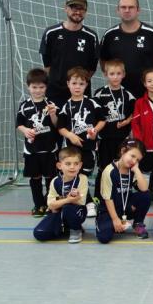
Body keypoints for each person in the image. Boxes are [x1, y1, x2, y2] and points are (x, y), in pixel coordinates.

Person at [55, 67, 106, 218]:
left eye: (81, 84)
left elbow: (103, 120)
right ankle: (87, 203)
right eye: (74, 83)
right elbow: (60, 127)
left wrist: (95, 130)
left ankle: (85, 200)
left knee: (85, 174)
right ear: (68, 84)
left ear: (86, 85)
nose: (77, 87)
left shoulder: (92, 103)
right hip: (72, 149)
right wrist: (70, 135)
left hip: (89, 147)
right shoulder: (66, 106)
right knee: (74, 174)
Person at [99, 0, 153, 98]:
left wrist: (150, 80)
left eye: (131, 7)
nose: (127, 10)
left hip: (146, 93)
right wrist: (115, 79)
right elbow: (104, 62)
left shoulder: (151, 33)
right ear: (118, 10)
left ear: (138, 10)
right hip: (119, 94)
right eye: (123, 7)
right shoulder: (109, 35)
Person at [39, 0, 99, 105]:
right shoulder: (51, 33)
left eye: (81, 8)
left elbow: (92, 68)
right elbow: (47, 66)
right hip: (55, 93)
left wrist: (77, 84)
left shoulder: (91, 36)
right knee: (55, 121)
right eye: (73, 7)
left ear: (86, 11)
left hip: (80, 93)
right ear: (66, 9)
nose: (77, 11)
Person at [16, 68, 59, 217]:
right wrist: (25, 130)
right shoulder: (24, 105)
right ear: (28, 87)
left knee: (50, 178)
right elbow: (19, 124)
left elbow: (56, 125)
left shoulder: (51, 104)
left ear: (46, 87)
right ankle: (38, 205)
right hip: (32, 150)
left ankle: (49, 204)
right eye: (34, 87)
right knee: (35, 178)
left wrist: (53, 115)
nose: (38, 90)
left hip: (48, 149)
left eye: (41, 87)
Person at [92, 59, 136, 201]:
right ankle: (99, 197)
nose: (115, 77)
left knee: (123, 166)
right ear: (106, 74)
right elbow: (95, 117)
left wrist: (126, 122)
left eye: (118, 73)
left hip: (122, 139)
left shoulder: (128, 95)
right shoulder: (99, 94)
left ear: (123, 74)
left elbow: (134, 114)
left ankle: (123, 196)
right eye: (112, 74)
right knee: (104, 168)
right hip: (104, 139)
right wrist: (96, 135)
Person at [95, 139, 151, 243]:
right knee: (104, 237)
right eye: (132, 156)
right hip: (109, 209)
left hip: (125, 207)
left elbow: (144, 189)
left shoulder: (132, 170)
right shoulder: (109, 171)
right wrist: (115, 219)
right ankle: (103, 221)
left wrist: (137, 170)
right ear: (123, 151)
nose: (134, 161)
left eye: (138, 160)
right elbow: (108, 198)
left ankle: (138, 223)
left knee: (146, 195)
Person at [33, 147, 88, 244]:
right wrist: (68, 199)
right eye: (68, 164)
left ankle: (76, 229)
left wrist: (59, 202)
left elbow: (80, 201)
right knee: (39, 233)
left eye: (76, 164)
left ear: (80, 165)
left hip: (77, 211)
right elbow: (50, 205)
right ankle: (64, 228)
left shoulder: (83, 179)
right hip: (58, 213)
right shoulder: (55, 181)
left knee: (68, 208)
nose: (72, 167)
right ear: (59, 165)